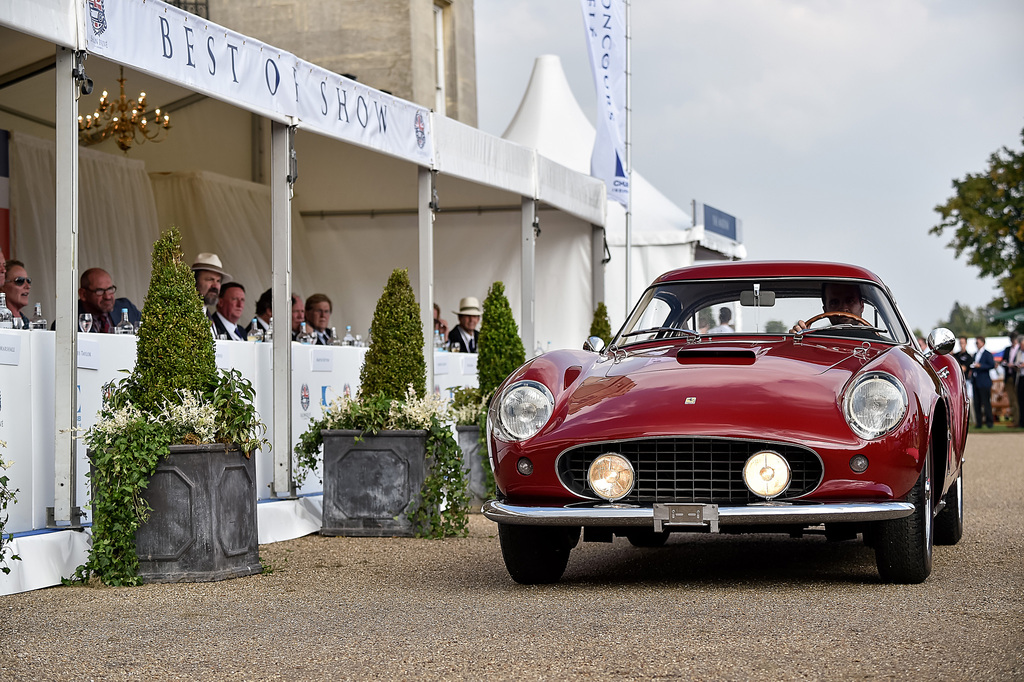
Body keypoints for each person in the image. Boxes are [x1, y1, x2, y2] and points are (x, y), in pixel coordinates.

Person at [78, 267, 142, 333]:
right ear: (83, 294)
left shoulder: (126, 307)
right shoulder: (71, 317)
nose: (107, 297)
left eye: (110, 289)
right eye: (100, 291)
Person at [791, 282, 866, 333]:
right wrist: (798, 336)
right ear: (825, 310)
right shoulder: (814, 340)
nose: (843, 309)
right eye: (834, 303)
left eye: (850, 301)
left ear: (862, 306)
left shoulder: (875, 341)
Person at [970, 336, 995, 428]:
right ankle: (979, 422)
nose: (977, 344)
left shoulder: (987, 354)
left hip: (984, 381)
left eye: (978, 342)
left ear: (983, 343)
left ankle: (989, 422)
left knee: (986, 402)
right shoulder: (976, 354)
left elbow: (991, 365)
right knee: (977, 403)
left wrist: (980, 366)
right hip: (976, 381)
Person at [1, 260, 31, 327]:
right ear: (3, 285)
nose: (28, 286)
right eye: (20, 281)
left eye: (28, 281)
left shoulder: (27, 322)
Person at [1001, 332, 1020, 426]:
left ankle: (1018, 420)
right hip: (1009, 377)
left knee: (1018, 399)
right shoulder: (1007, 349)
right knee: (1012, 400)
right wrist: (1005, 363)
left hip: (1017, 376)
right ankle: (1016, 420)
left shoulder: (1020, 349)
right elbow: (1003, 361)